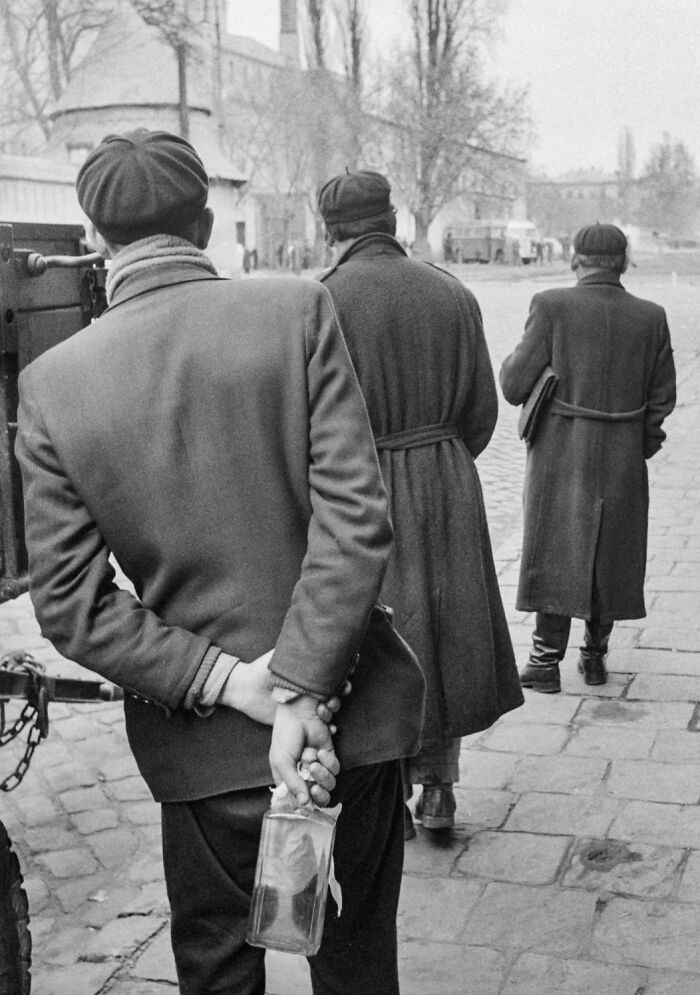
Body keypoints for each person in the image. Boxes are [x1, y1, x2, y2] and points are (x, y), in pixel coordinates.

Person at [15, 130, 425, 995]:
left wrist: (229, 681)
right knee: (356, 969)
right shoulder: (297, 310)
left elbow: (74, 607)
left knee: (216, 973)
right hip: (345, 731)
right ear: (204, 222)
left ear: (94, 240)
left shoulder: (53, 385)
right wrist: (302, 689)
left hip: (201, 758)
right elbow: (356, 520)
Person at [317, 170, 523, 837]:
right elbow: (481, 412)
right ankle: (441, 788)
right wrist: (440, 457)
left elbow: (305, 424)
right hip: (445, 476)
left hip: (360, 488)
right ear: (394, 219)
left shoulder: (319, 302)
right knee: (444, 629)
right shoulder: (451, 293)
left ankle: (392, 790)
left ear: (331, 229)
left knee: (376, 635)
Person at [500, 222, 676, 693]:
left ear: (576, 258)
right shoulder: (651, 316)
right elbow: (663, 396)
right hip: (622, 452)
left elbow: (515, 385)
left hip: (560, 448)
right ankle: (594, 659)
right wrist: (639, 443)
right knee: (612, 550)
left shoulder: (551, 305)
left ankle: (543, 662)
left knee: (555, 542)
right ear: (623, 260)